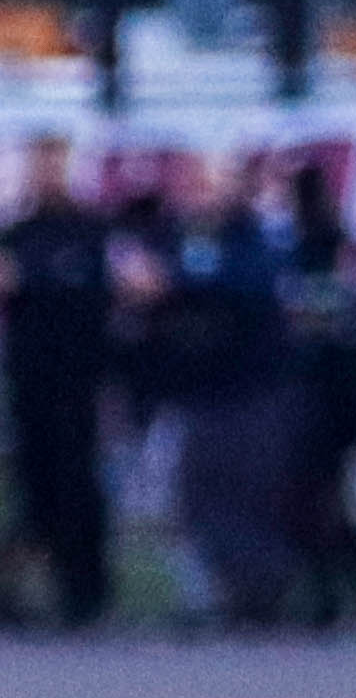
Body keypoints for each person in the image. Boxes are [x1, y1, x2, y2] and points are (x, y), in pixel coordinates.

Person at [116, 154, 295, 625]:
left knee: (249, 499)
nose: (202, 195)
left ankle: (260, 600)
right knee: (190, 501)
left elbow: (250, 285)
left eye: (213, 183)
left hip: (249, 392)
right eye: (194, 184)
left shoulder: (256, 236)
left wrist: (175, 285)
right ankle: (210, 595)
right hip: (187, 394)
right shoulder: (164, 237)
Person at [0, 135, 113, 630]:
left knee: (78, 487)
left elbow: (92, 292)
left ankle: (86, 593)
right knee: (34, 487)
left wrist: (30, 281)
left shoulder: (90, 231)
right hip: (28, 381)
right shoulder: (14, 232)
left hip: (78, 384)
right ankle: (29, 593)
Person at [274, 161, 356, 630]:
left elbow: (335, 326)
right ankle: (342, 585)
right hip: (324, 395)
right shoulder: (317, 250)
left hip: (330, 396)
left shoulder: (327, 251)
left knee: (317, 498)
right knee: (312, 499)